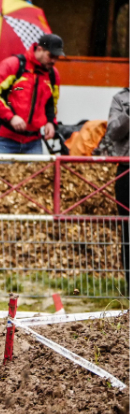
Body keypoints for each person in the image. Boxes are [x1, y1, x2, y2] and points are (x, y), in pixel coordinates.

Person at [0, 34, 63, 154]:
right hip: (3, 138)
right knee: (0, 174)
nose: (54, 61)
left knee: (38, 173)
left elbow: (51, 102)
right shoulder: (13, 64)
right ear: (39, 49)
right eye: (51, 56)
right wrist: (11, 117)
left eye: (57, 57)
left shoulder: (53, 75)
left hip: (33, 140)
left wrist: (51, 122)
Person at [105, 87, 129, 293]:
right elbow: (113, 132)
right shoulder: (121, 99)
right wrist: (127, 114)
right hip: (126, 171)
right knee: (128, 232)